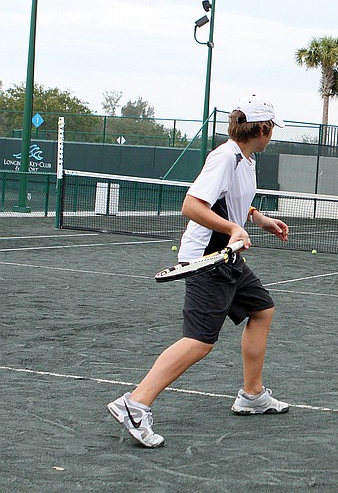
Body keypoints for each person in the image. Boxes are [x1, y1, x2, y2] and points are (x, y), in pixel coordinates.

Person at [108, 94, 290, 448]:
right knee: (200, 340)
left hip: (228, 255)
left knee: (262, 309)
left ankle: (252, 395)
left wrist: (256, 218)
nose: (272, 136)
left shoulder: (244, 160)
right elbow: (191, 205)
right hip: (209, 258)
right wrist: (234, 230)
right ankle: (135, 402)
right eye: (272, 130)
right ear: (263, 129)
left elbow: (233, 199)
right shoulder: (225, 157)